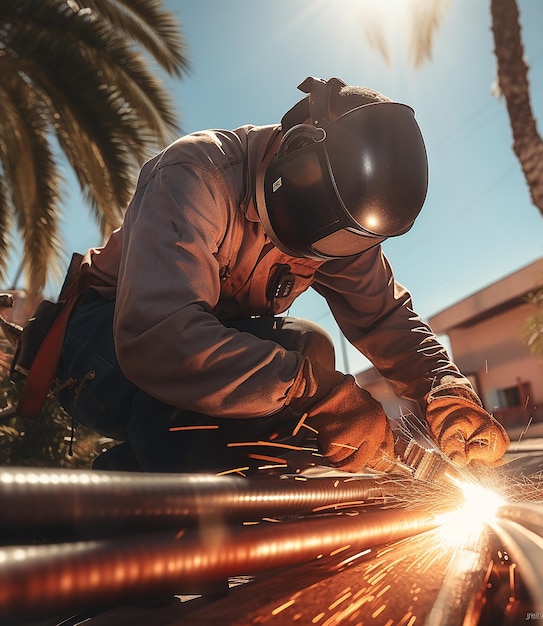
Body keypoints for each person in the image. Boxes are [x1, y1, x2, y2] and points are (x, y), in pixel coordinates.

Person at [13, 76, 509, 475]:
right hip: (102, 344)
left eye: (341, 245)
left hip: (199, 340)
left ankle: (156, 479)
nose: (316, 255)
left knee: (308, 349)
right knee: (259, 395)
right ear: (295, 152)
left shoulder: (342, 223)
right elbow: (160, 335)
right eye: (311, 231)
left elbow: (383, 317)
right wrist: (318, 392)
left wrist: (443, 388)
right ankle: (133, 514)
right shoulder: (196, 175)